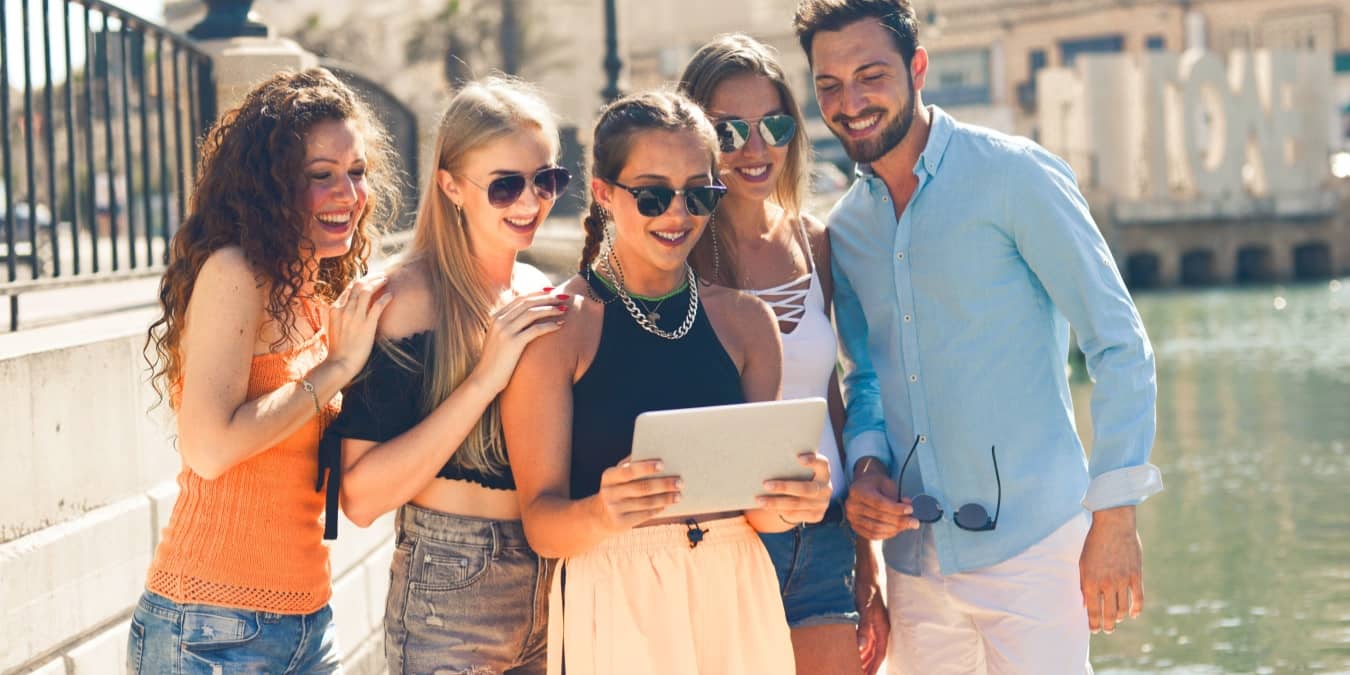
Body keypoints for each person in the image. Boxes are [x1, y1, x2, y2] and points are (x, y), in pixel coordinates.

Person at [792, 0, 1163, 673]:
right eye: (829, 85)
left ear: (919, 68)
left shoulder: (1014, 176)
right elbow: (865, 375)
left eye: (871, 75)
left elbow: (1118, 341)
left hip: (1034, 551)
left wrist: (1115, 513)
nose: (850, 102)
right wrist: (869, 463)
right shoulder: (846, 230)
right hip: (913, 566)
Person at [499, 89, 831, 675]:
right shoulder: (558, 329)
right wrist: (604, 511)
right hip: (617, 593)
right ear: (603, 194)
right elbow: (542, 525)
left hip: (738, 590)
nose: (678, 214)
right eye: (652, 195)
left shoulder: (747, 323)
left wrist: (796, 502)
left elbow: (759, 514)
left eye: (698, 194)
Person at [131, 67, 399, 673]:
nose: (349, 196)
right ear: (270, 186)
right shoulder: (234, 272)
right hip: (210, 627)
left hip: (307, 620)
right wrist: (337, 368)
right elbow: (209, 448)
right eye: (321, 177)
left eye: (357, 174)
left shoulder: (310, 292)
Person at [319, 77, 569, 674]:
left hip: (554, 581)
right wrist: (485, 378)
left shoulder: (540, 291)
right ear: (451, 185)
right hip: (452, 589)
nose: (530, 203)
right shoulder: (404, 300)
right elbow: (359, 497)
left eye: (547, 180)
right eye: (505, 186)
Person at [678, 33, 887, 675]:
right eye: (729, 130)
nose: (755, 148)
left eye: (772, 125)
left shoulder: (814, 243)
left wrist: (867, 561)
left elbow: (831, 399)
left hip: (824, 533)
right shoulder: (675, 254)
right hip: (719, 542)